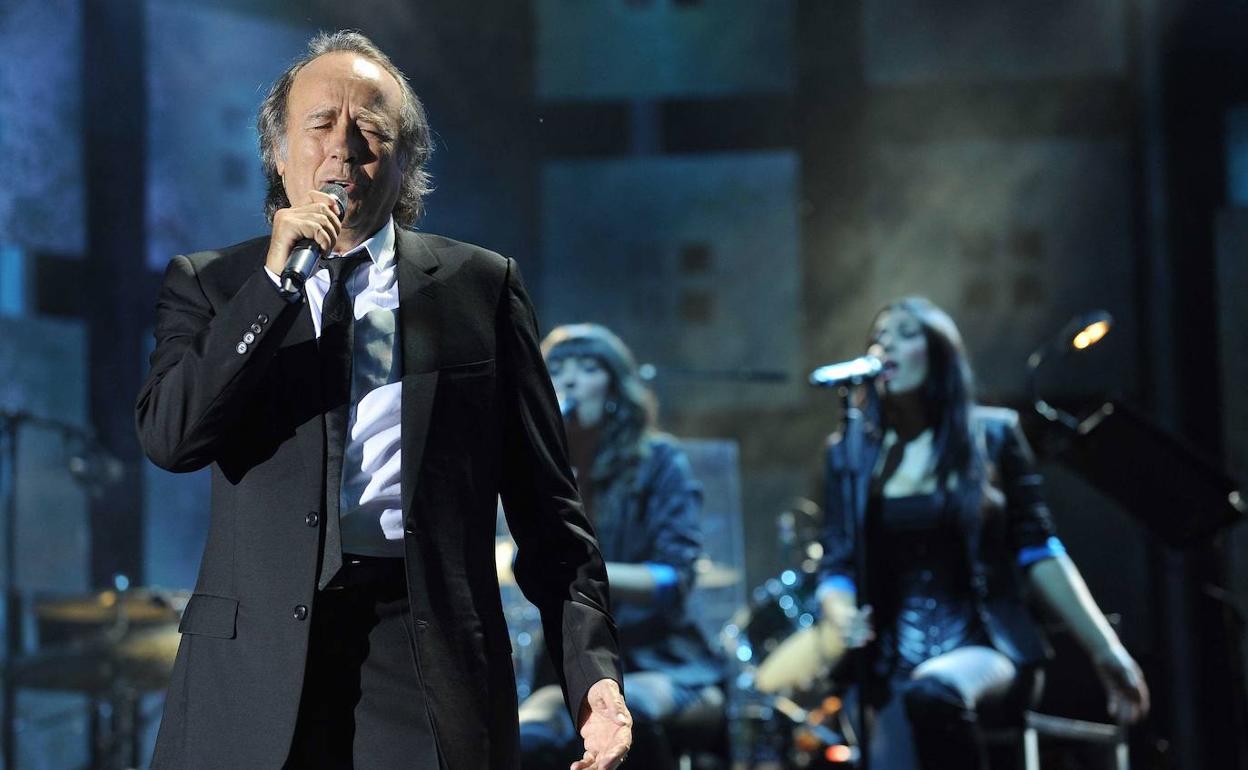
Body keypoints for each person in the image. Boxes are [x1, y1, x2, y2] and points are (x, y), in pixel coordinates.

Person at [136, 31, 631, 770]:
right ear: (279, 154)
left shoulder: (479, 288)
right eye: (320, 124)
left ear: (405, 163)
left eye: (370, 129)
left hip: (422, 654)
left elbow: (548, 511)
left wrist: (592, 676)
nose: (342, 148)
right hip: (250, 667)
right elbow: (171, 439)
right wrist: (271, 289)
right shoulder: (213, 285)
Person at [816, 297, 1149, 770]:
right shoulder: (849, 454)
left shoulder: (993, 436)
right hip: (887, 659)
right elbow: (836, 563)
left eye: (905, 334)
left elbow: (1038, 550)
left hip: (984, 645)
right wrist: (841, 614)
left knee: (934, 693)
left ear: (939, 355)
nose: (885, 345)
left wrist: (1106, 649)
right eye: (879, 337)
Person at [516, 324, 724, 770]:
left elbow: (674, 577)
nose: (570, 380)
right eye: (559, 368)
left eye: (587, 368)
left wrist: (583, 574)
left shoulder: (660, 460)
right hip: (571, 662)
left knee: (633, 718)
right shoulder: (545, 471)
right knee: (526, 736)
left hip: (657, 657)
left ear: (614, 386)